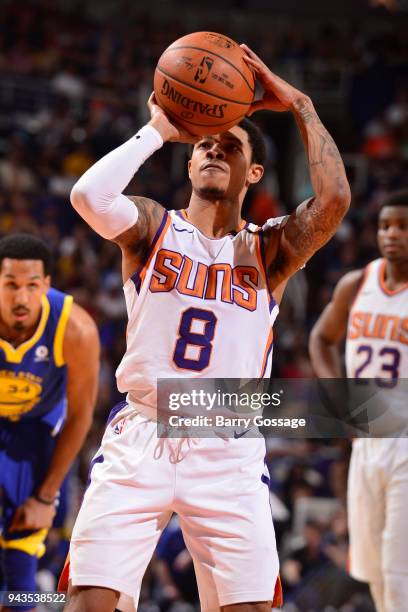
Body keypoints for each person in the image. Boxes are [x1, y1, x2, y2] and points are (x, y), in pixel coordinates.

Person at [63, 44, 350, 612]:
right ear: (189, 163)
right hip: (142, 435)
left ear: (255, 171)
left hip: (228, 450)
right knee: (85, 604)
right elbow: (88, 196)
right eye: (204, 144)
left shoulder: (270, 248)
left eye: (231, 145)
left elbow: (335, 199)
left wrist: (299, 102)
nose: (214, 148)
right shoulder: (150, 227)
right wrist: (158, 129)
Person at [309, 190, 408, 612]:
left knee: (398, 570)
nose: (392, 234)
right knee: (371, 572)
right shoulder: (358, 283)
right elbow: (321, 338)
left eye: (403, 227)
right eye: (386, 225)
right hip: (366, 440)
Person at [0, 233, 100, 612]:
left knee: (21, 566)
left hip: (34, 433)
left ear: (46, 285)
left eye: (31, 286)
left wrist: (46, 495)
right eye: (10, 285)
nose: (21, 298)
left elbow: (80, 415)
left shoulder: (76, 329)